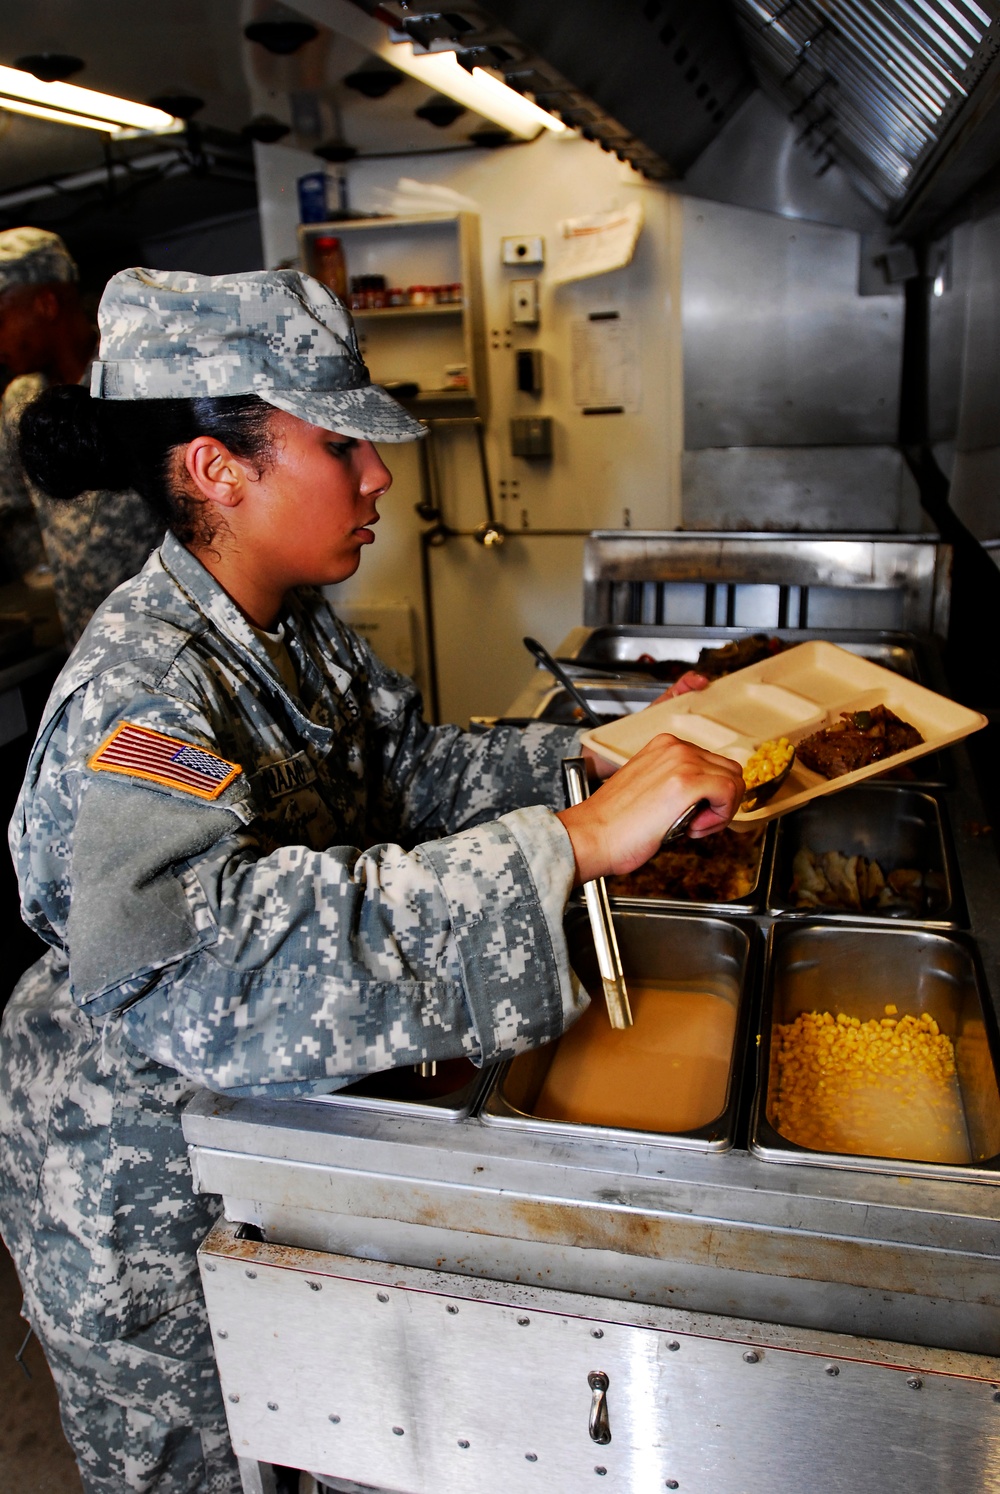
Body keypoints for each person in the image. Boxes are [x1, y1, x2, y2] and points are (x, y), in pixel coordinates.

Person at [0, 266, 743, 1494]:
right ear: (214, 470)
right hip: (142, 1195)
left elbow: (402, 775)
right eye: (339, 443)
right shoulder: (139, 692)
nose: (379, 474)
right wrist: (573, 843)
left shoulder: (285, 620)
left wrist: (586, 763)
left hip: (262, 1145)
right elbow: (202, 965)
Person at [0, 227, 164, 643]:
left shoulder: (138, 380)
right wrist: (44, 572)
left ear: (46, 303)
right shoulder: (20, 401)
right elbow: (12, 508)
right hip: (87, 646)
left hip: (169, 638)